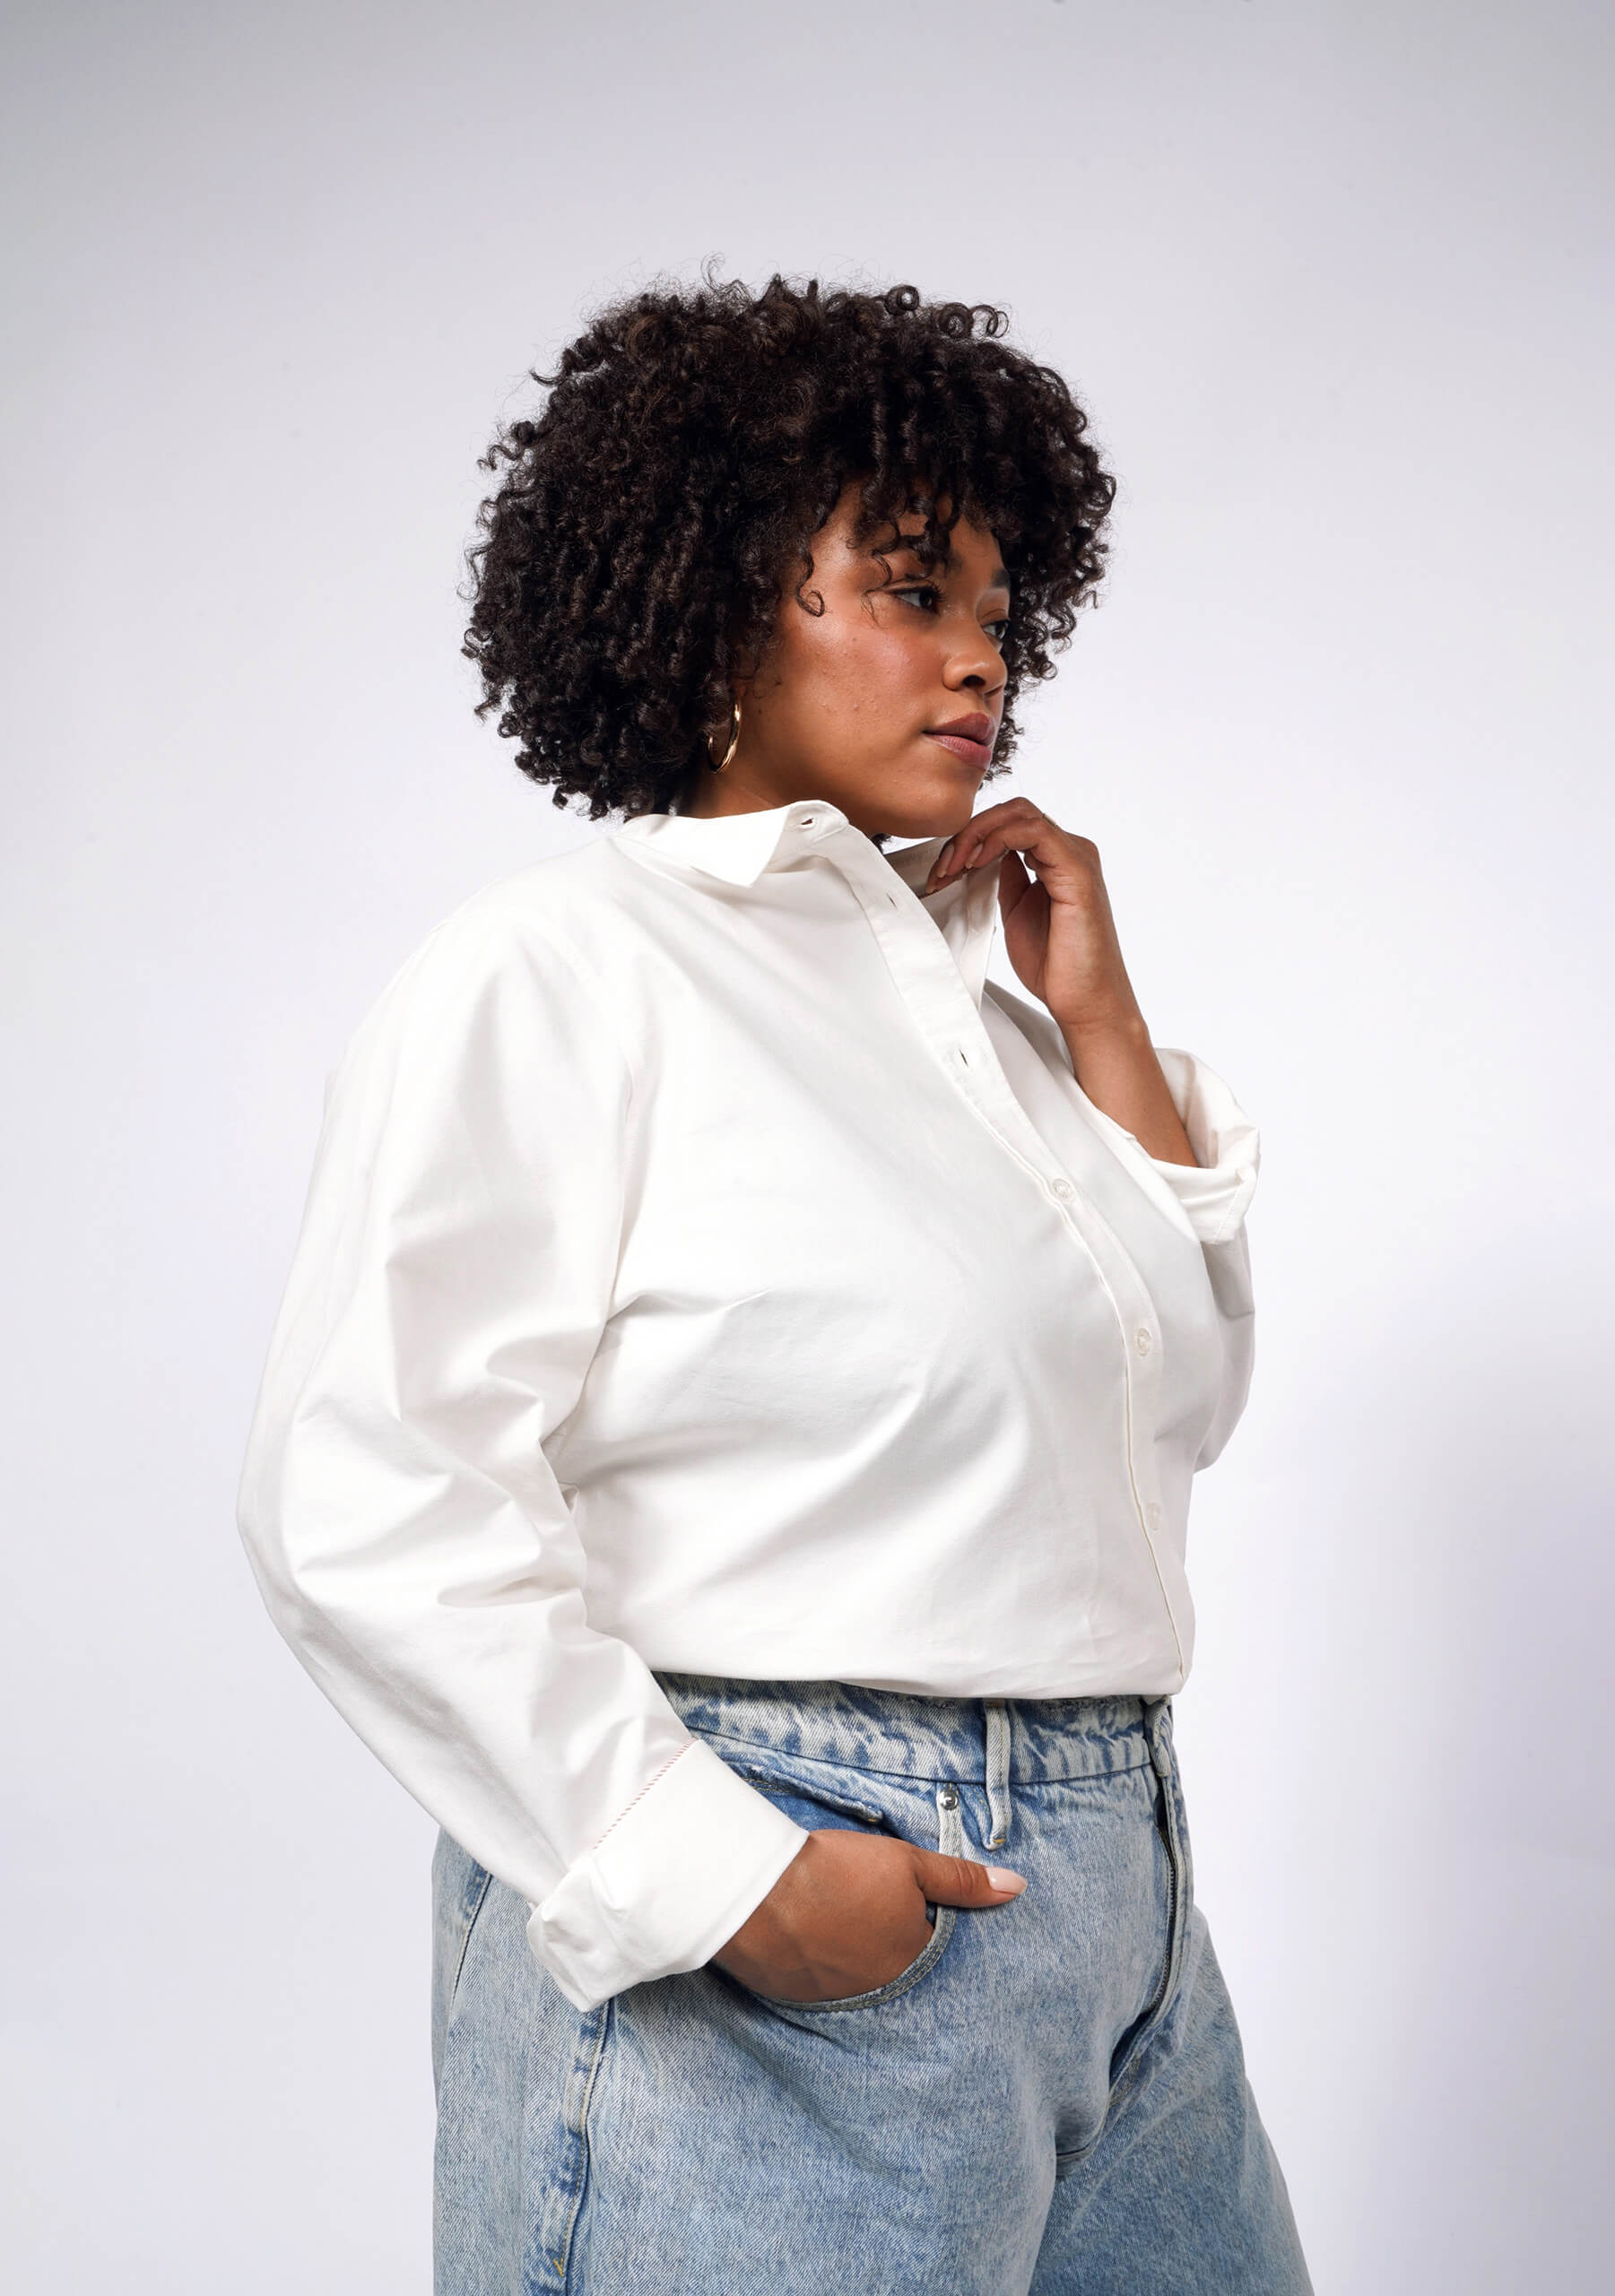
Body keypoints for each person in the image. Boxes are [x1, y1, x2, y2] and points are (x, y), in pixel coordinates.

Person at [237, 274, 1311, 2294]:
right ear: (726, 602)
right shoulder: (565, 973)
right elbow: (362, 1496)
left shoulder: (981, 1023)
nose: (980, 654)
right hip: (797, 1887)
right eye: (911, 589)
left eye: (1002, 610)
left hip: (1122, 1904)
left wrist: (1101, 1035)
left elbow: (1179, 1412)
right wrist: (723, 1878)